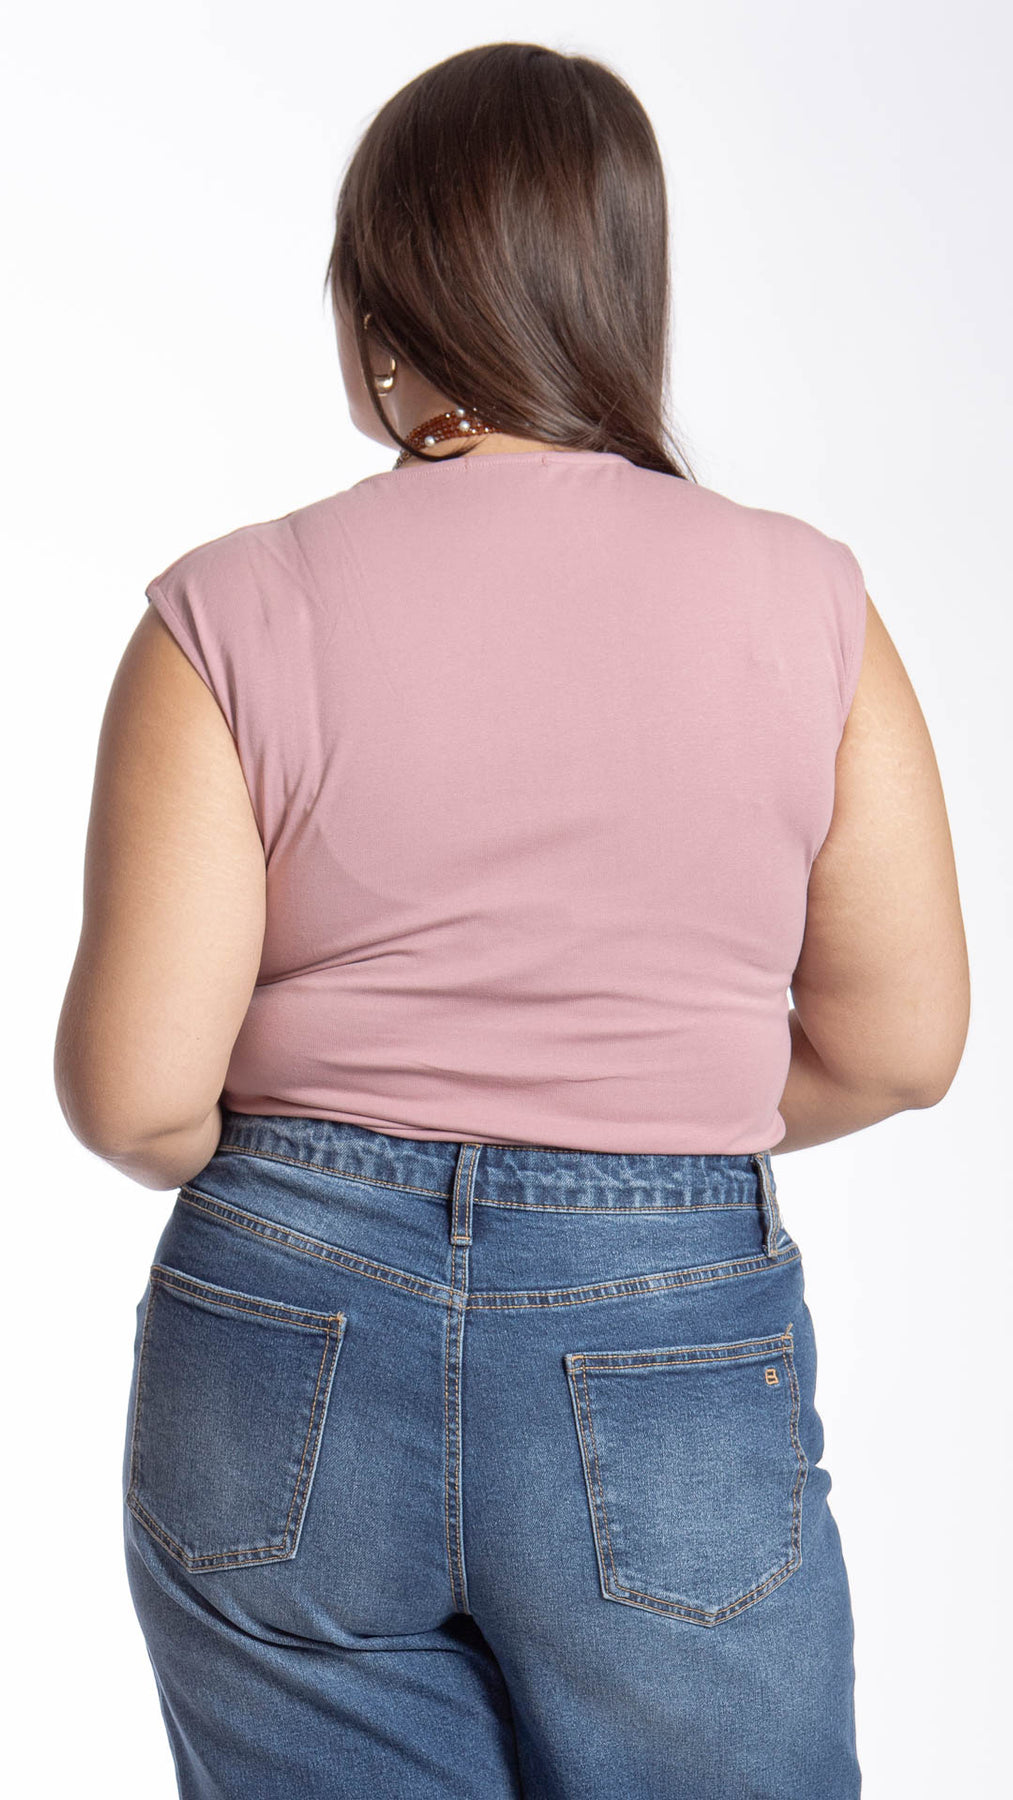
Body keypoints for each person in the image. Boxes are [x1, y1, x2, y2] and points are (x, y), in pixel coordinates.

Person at [53, 39, 969, 1800]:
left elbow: (138, 1100)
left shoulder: (224, 611)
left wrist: (352, 1158)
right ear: (621, 291)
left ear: (375, 304)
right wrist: (623, 1145)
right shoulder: (811, 604)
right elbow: (901, 1047)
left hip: (285, 1325)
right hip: (660, 1318)